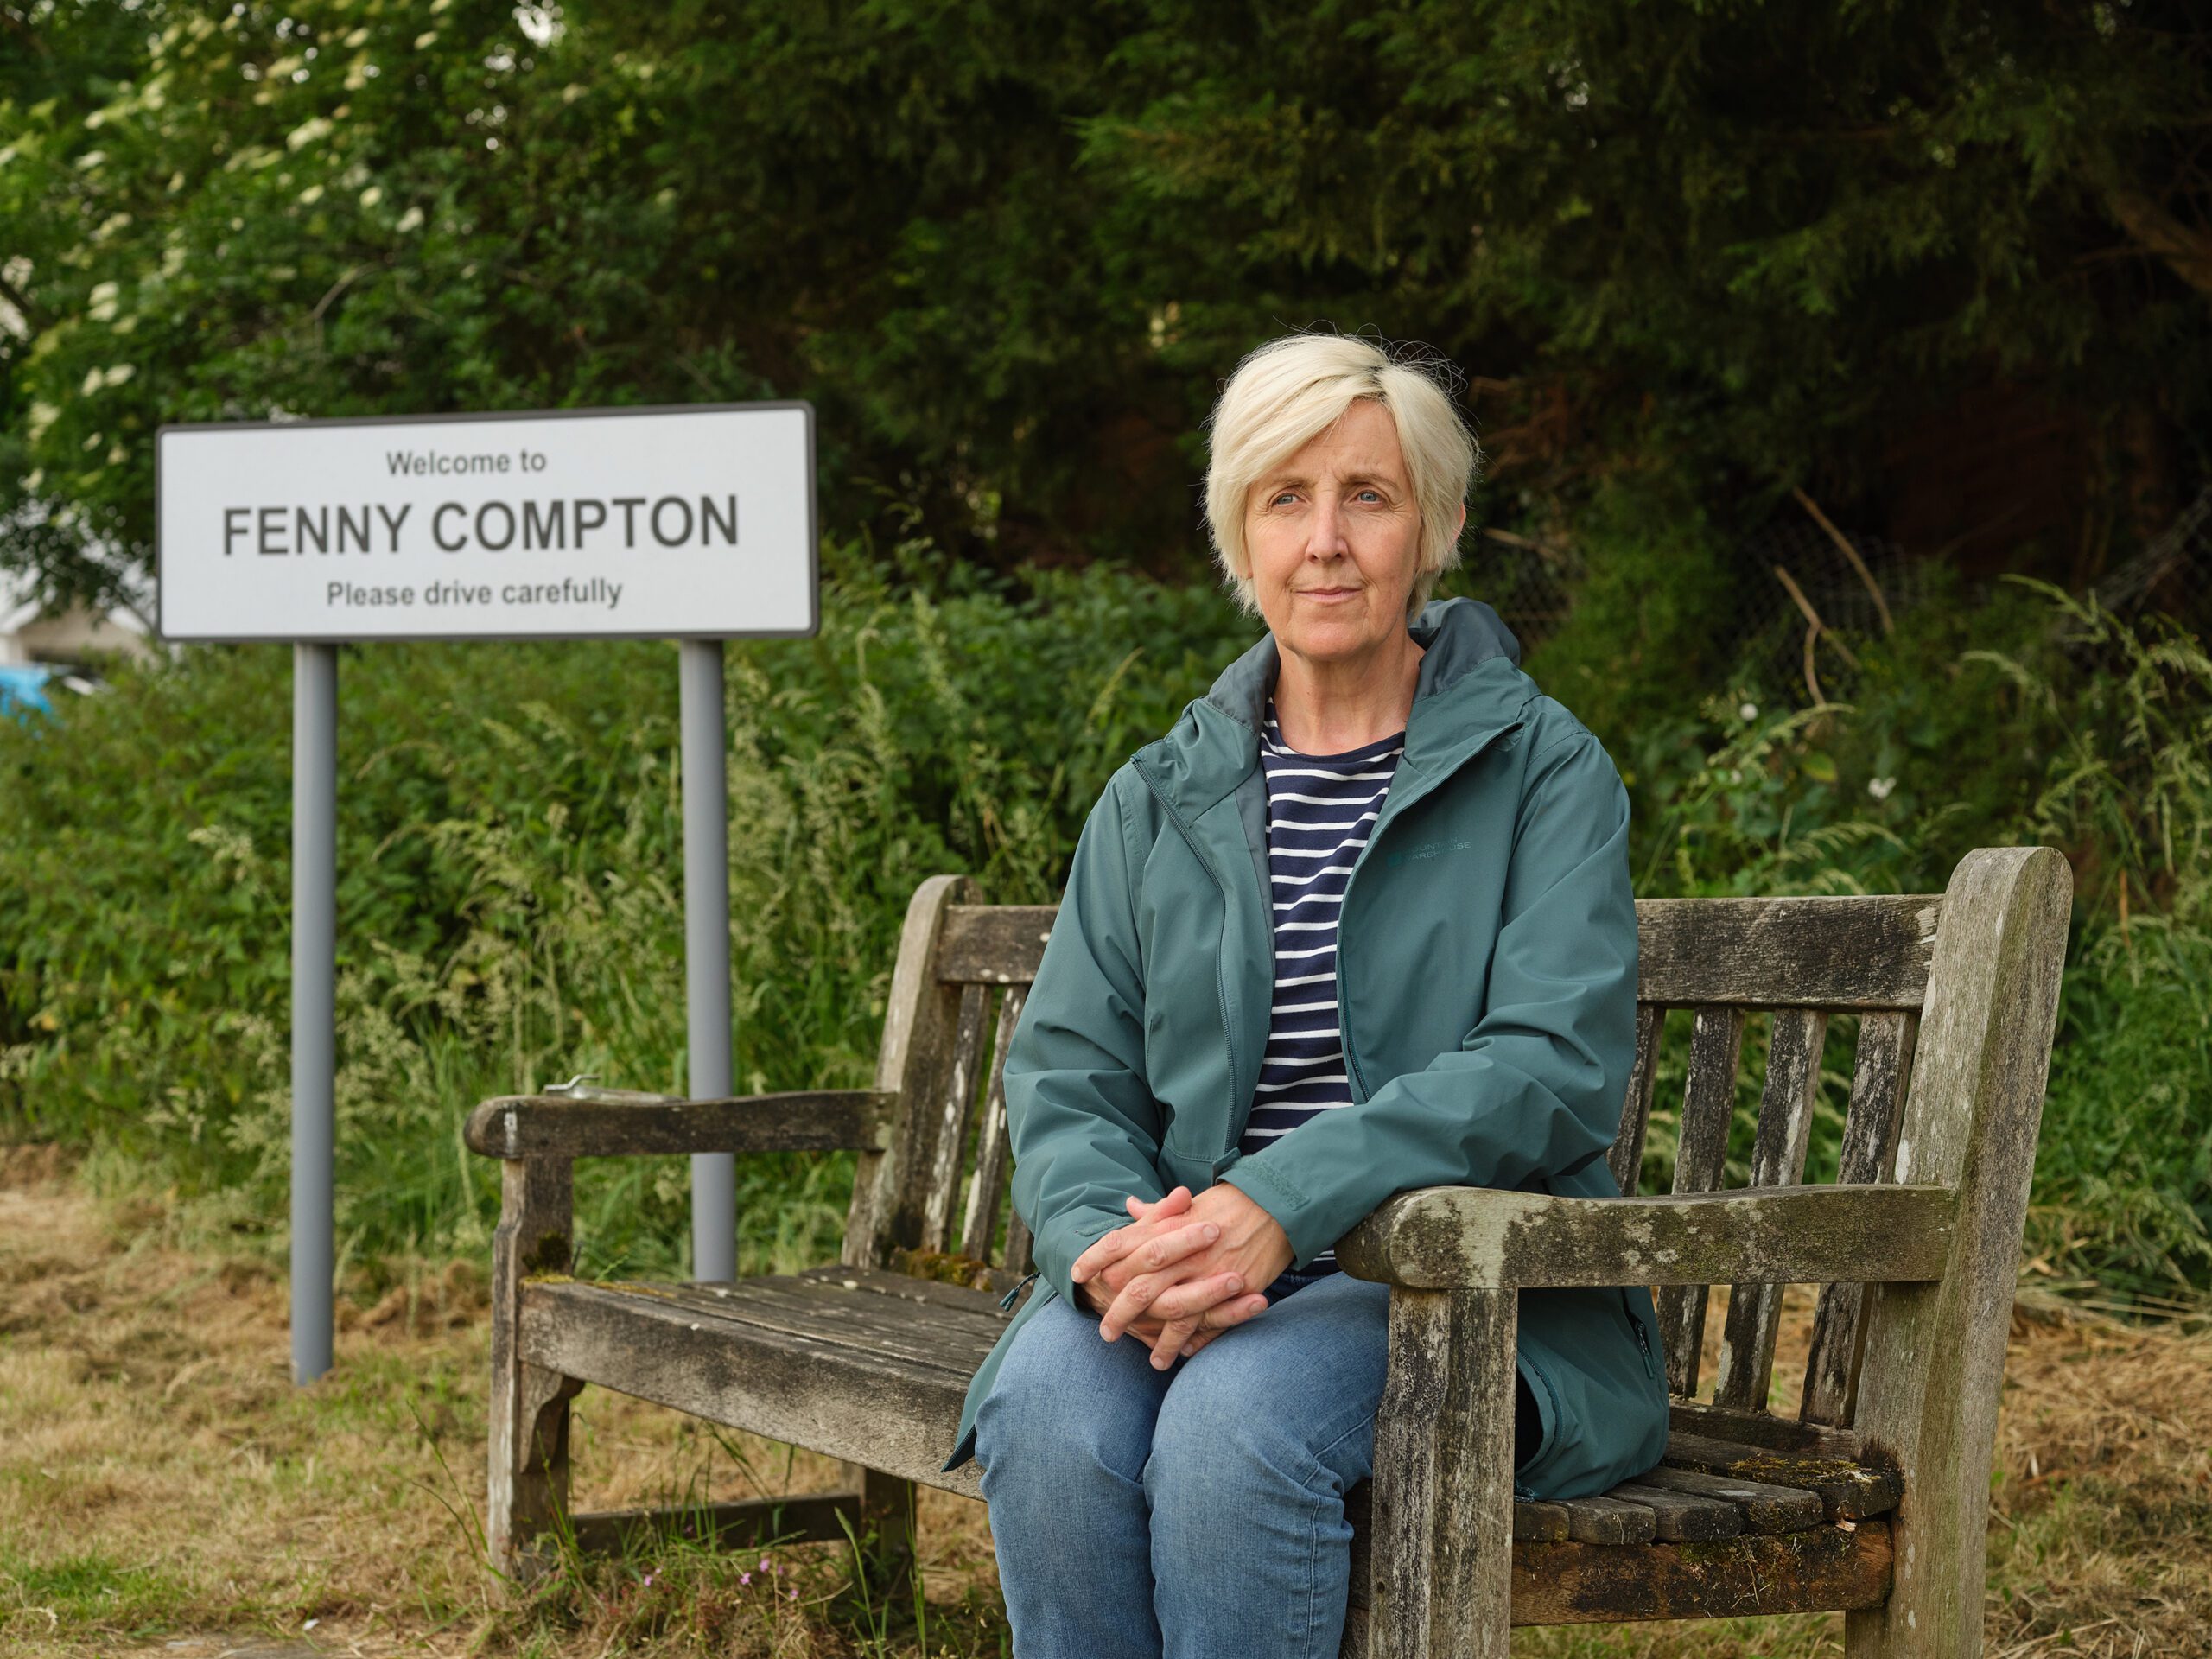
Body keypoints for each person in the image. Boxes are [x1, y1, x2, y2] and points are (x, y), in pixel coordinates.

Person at [938, 330, 1669, 1659]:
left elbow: (1548, 1061)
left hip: (1456, 1292)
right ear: (1240, 536)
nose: (1325, 540)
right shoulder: (1160, 795)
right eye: (1287, 498)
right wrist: (1117, 1249)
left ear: (1435, 527)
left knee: (1239, 1423)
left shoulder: (1544, 771)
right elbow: (1067, 1075)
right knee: (1044, 1399)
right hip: (1194, 1268)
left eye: (1367, 496)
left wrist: (1280, 1202)